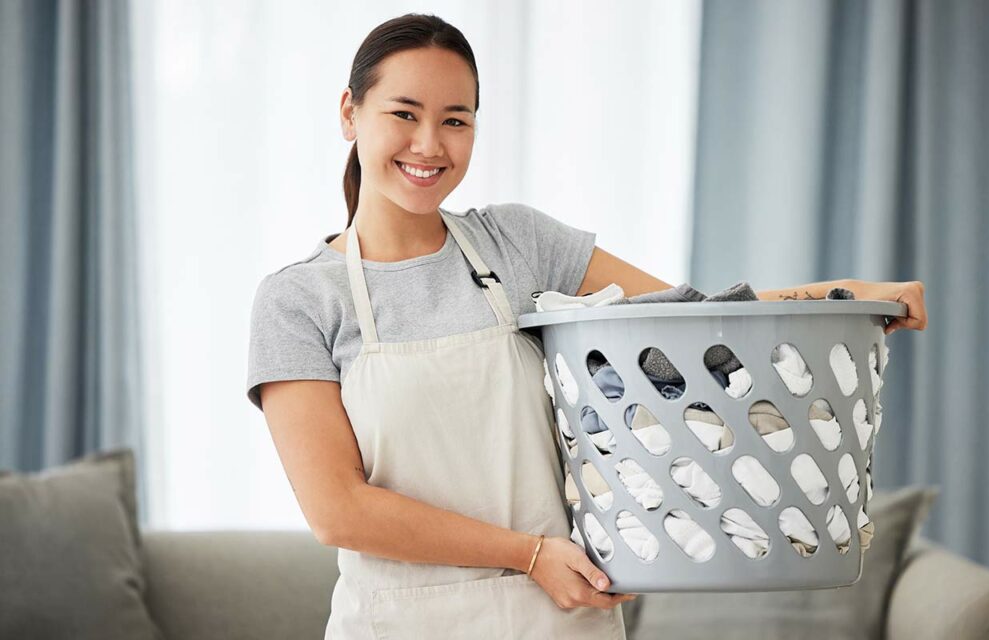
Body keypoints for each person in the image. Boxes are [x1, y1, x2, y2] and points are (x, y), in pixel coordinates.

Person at [245, 13, 929, 640]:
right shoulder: (300, 299)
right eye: (404, 113)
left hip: (557, 621)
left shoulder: (517, 244)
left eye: (457, 120)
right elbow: (340, 510)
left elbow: (692, 322)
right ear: (349, 112)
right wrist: (528, 554)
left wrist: (844, 297)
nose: (430, 144)